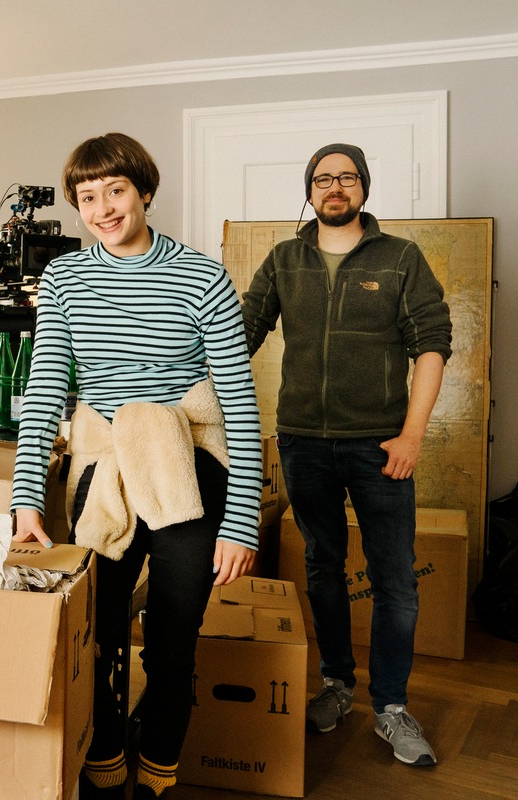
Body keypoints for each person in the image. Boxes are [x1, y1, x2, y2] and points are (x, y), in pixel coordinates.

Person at [11, 133, 262, 800]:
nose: (103, 209)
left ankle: (157, 775)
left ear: (144, 192)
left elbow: (239, 401)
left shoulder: (202, 276)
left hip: (186, 465)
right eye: (87, 198)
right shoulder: (65, 278)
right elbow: (45, 391)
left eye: (115, 191)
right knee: (94, 632)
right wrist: (26, 499)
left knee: (175, 640)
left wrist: (242, 524)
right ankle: (104, 765)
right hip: (102, 466)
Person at [242, 143, 452, 767]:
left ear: (364, 188)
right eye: (323, 178)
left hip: (380, 444)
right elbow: (237, 335)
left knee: (394, 578)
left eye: (348, 177)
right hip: (303, 440)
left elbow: (433, 346)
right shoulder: (283, 260)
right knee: (323, 565)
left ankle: (391, 707)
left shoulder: (400, 259)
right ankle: (337, 684)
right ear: (308, 190)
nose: (336, 187)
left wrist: (412, 436)